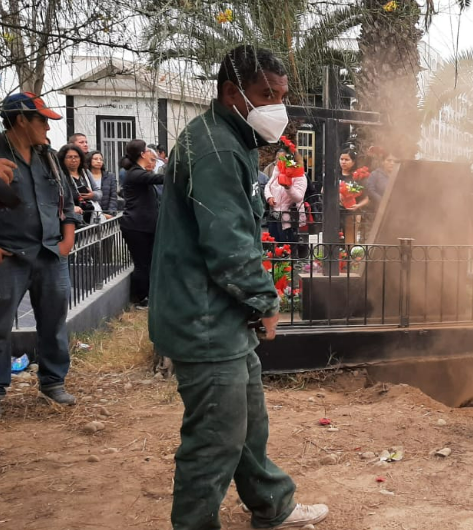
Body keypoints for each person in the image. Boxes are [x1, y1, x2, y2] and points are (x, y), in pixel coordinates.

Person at [148, 45, 329, 530]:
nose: (277, 106)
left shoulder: (230, 138)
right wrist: (265, 299)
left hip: (220, 315)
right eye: (266, 94)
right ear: (233, 93)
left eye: (282, 95)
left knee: (247, 422)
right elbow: (228, 243)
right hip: (204, 318)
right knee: (215, 437)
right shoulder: (216, 150)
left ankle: (273, 505)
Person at [0, 92, 80, 415]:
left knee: (54, 320)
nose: (48, 126)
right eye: (42, 119)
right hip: (10, 256)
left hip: (50, 254)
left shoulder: (47, 156)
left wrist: (67, 241)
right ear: (21, 120)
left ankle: (52, 381)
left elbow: (68, 202)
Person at [119, 140, 162, 308]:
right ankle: (142, 298)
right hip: (136, 226)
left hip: (144, 225)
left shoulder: (139, 172)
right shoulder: (135, 173)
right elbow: (159, 178)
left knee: (148, 262)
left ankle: (148, 295)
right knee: (142, 263)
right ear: (142, 154)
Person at [265, 150, 308, 249]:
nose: (279, 162)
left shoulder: (300, 175)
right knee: (274, 246)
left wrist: (288, 187)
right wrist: (269, 196)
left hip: (290, 218)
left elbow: (298, 197)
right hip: (274, 215)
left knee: (287, 247)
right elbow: (268, 185)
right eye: (278, 159)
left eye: (282, 159)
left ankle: (289, 262)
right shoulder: (277, 171)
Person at [58, 144, 99, 224]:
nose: (73, 160)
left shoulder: (85, 173)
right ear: (63, 159)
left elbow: (99, 192)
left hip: (89, 215)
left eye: (76, 157)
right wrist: (70, 207)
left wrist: (93, 195)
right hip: (69, 218)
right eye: (69, 157)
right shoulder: (60, 175)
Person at [87, 150, 118, 216]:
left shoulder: (110, 176)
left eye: (101, 159)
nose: (99, 161)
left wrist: (110, 213)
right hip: (91, 213)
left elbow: (113, 197)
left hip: (107, 213)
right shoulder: (85, 176)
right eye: (95, 159)